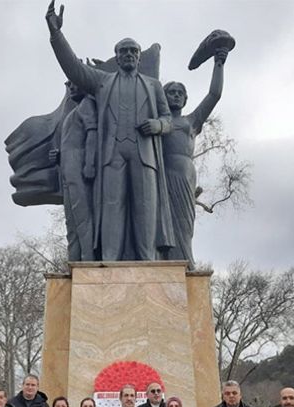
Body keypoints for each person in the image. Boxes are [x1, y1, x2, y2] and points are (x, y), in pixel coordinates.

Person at [45, 0, 175, 261]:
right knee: (112, 208)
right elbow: (73, 67)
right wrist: (56, 34)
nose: (128, 54)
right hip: (111, 156)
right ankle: (109, 261)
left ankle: (148, 261)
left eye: (133, 51)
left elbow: (167, 118)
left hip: (144, 156)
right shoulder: (102, 82)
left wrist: (158, 125)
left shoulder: (153, 85)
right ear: (117, 57)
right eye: (123, 51)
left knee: (145, 209)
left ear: (138, 56)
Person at [161, 47, 227, 269]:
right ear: (163, 97)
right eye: (172, 92)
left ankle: (186, 267)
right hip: (161, 175)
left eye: (181, 93)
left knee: (183, 223)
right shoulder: (157, 122)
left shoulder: (192, 122)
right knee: (162, 224)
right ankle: (163, 266)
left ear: (186, 99)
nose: (177, 95)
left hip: (184, 175)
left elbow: (214, 95)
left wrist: (219, 63)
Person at [50, 81, 98, 261]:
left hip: (79, 165)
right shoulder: (73, 112)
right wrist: (59, 157)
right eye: (69, 85)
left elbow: (92, 132)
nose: (72, 88)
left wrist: (89, 163)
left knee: (82, 213)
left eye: (76, 83)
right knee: (71, 218)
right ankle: (75, 259)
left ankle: (88, 258)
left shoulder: (87, 104)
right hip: (68, 167)